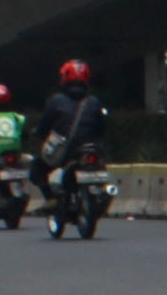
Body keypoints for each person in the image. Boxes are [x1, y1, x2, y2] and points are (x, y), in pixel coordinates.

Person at [26, 59, 107, 208]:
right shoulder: (95, 102)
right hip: (91, 149)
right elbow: (102, 128)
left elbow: (44, 127)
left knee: (37, 167)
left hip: (66, 152)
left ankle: (51, 199)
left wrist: (38, 134)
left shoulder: (56, 101)